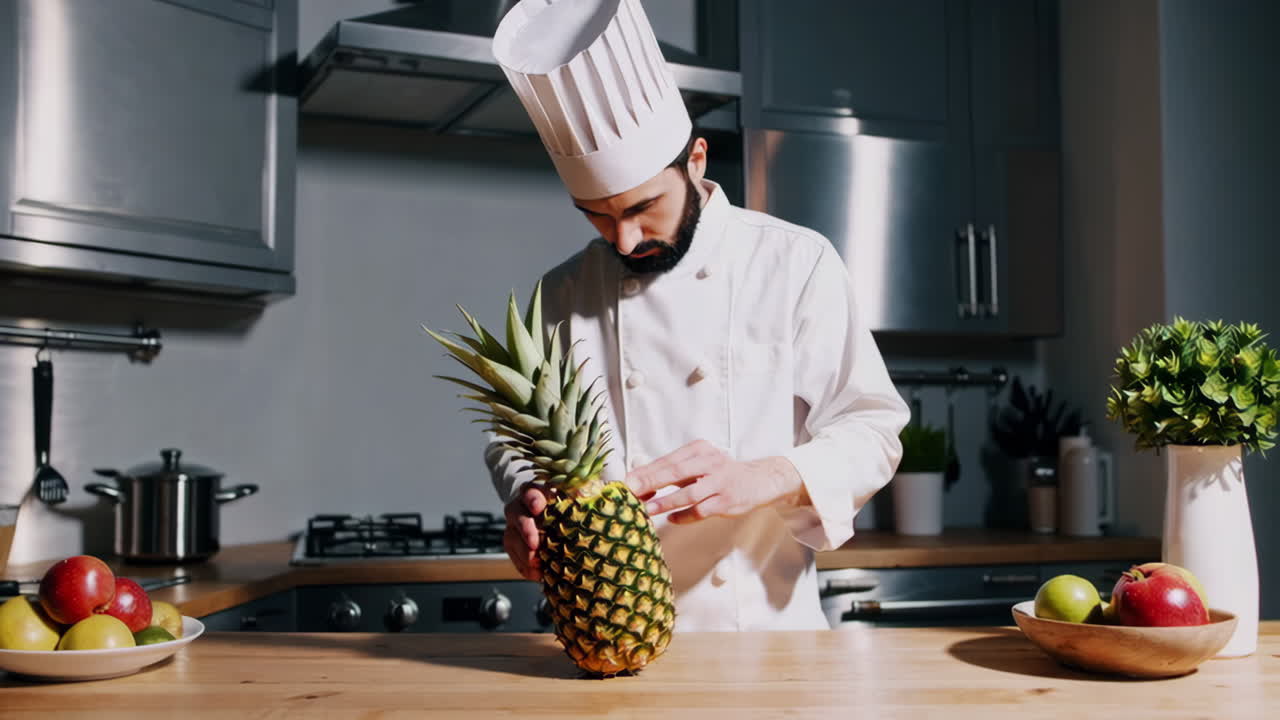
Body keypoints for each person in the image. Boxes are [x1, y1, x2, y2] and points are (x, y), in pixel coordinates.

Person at [485, 0, 909, 631]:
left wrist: (767, 476)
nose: (624, 240)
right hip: (604, 634)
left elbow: (873, 432)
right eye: (597, 215)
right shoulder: (563, 292)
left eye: (642, 208)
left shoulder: (794, 262)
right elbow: (512, 438)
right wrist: (525, 499)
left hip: (767, 643)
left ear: (698, 162)